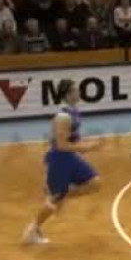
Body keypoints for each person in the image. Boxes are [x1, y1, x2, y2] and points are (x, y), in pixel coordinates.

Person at [22, 79, 102, 244]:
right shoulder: (63, 117)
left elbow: (72, 139)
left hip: (69, 157)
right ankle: (32, 230)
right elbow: (61, 145)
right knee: (55, 199)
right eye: (75, 90)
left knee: (95, 183)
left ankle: (65, 194)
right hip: (59, 159)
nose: (79, 92)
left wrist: (85, 144)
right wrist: (87, 147)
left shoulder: (73, 112)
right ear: (68, 94)